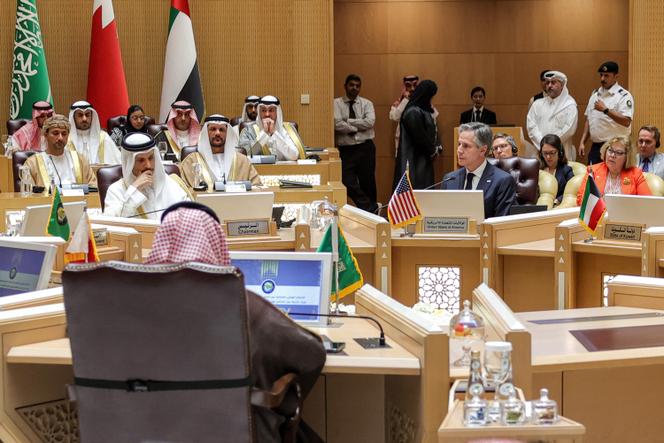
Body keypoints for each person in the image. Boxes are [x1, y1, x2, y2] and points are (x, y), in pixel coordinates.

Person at [145, 201, 326, 443]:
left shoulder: (128, 312)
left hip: (147, 432)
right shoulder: (245, 306)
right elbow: (312, 354)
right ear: (215, 245)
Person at [104, 132, 190, 219]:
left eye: (150, 158)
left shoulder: (169, 182)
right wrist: (135, 190)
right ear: (129, 163)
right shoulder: (116, 190)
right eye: (141, 160)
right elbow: (112, 224)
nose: (148, 165)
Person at [441, 122, 516, 218]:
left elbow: (501, 224)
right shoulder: (449, 179)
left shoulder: (503, 181)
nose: (459, 150)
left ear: (483, 150)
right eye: (459, 144)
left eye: (466, 146)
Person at [333, 74, 378, 212]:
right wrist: (357, 126)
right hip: (346, 149)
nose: (354, 88)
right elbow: (337, 123)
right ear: (345, 86)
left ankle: (372, 213)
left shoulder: (367, 103)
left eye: (357, 86)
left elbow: (370, 122)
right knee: (347, 182)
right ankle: (369, 207)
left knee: (368, 182)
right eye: (351, 85)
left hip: (366, 147)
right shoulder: (336, 103)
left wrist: (350, 122)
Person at [180, 114, 261, 190]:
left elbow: (257, 187)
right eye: (213, 129)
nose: (217, 133)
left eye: (221, 130)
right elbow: (182, 191)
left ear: (227, 133)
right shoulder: (190, 161)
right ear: (205, 133)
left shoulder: (242, 161)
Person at [578, 61, 634, 165]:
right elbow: (589, 120)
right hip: (596, 147)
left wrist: (606, 110)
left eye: (606, 75)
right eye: (601, 75)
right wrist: (582, 142)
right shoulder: (595, 95)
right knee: (594, 178)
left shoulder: (623, 96)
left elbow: (626, 121)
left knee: (614, 179)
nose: (602, 79)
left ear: (616, 76)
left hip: (615, 147)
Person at [23, 114, 96, 189]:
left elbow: (93, 187)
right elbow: (28, 194)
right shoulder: (32, 163)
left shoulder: (80, 160)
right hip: (46, 201)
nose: (60, 138)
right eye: (55, 133)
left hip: (78, 200)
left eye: (64, 134)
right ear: (45, 135)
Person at [393, 80, 441, 189]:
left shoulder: (421, 110)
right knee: (414, 195)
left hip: (421, 159)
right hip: (413, 161)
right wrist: (433, 150)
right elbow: (420, 137)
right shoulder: (413, 111)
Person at [576, 136, 651, 205]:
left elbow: (648, 202)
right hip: (599, 217)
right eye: (610, 150)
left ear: (627, 157)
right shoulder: (593, 171)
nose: (612, 155)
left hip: (625, 217)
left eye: (618, 153)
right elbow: (581, 199)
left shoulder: (635, 174)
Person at [526, 70, 578, 161]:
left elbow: (569, 130)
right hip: (540, 152)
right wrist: (543, 145)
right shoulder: (537, 104)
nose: (549, 86)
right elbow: (531, 127)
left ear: (562, 85)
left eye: (553, 82)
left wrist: (550, 146)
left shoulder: (570, 105)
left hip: (561, 154)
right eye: (547, 83)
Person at [238, 95, 305, 160]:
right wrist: (264, 134)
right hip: (258, 171)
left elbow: (294, 156)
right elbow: (244, 156)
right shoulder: (248, 131)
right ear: (259, 112)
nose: (267, 114)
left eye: (271, 110)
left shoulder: (288, 130)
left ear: (277, 112)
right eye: (263, 110)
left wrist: (275, 134)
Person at [539, 134, 574, 205]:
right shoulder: (537, 170)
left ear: (560, 152)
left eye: (552, 153)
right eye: (545, 153)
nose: (548, 157)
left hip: (559, 207)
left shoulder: (566, 170)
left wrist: (557, 200)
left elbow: (572, 192)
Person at [389, 75, 420, 152]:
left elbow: (433, 117)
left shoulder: (423, 102)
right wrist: (406, 99)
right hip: (403, 142)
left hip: (419, 142)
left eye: (415, 85)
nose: (412, 89)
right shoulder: (399, 103)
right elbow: (395, 117)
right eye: (408, 86)